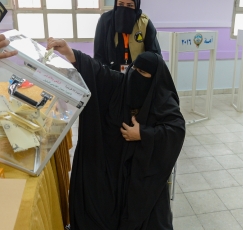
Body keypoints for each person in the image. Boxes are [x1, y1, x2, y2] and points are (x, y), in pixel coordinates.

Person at [47, 38, 185, 229]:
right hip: (111, 165)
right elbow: (98, 72)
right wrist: (70, 53)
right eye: (135, 69)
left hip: (140, 174)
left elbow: (176, 130)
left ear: (155, 78)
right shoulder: (121, 83)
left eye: (143, 73)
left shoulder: (163, 99)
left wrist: (143, 134)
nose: (136, 75)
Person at [93, 0, 161, 72]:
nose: (124, 9)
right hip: (111, 76)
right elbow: (98, 54)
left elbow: (155, 55)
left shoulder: (144, 23)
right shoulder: (106, 21)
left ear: (136, 6)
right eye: (120, 4)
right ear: (116, 4)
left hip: (137, 77)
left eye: (130, 5)